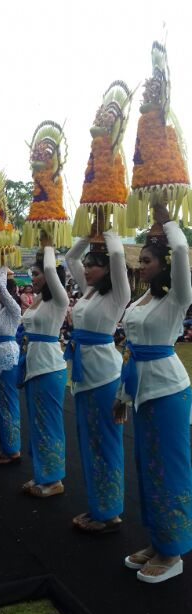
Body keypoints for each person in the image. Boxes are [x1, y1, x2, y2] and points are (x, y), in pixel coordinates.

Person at [114, 204, 192, 583]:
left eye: (146, 260)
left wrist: (169, 220)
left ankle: (173, 550)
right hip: (142, 391)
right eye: (140, 259)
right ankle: (157, 538)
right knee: (147, 468)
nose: (141, 264)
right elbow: (131, 353)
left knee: (169, 470)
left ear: (164, 262)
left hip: (168, 392)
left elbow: (182, 254)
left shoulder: (177, 298)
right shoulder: (143, 299)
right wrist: (122, 395)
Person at [65, 221, 130, 532]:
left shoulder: (118, 295)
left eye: (94, 265)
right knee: (90, 443)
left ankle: (110, 511)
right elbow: (69, 259)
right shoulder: (89, 291)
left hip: (104, 377)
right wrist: (88, 234)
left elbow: (118, 258)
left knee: (106, 443)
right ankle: (98, 506)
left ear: (107, 269)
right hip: (83, 375)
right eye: (88, 264)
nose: (87, 269)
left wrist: (109, 233)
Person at [21, 233, 69, 497]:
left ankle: (53, 481)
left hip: (49, 367)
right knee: (37, 424)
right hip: (33, 366)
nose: (34, 278)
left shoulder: (59, 300)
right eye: (32, 273)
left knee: (49, 423)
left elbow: (51, 268)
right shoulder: (36, 301)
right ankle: (41, 474)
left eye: (37, 274)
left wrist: (48, 245)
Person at [0, 266, 22, 465]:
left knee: (8, 403)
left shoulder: (13, 310)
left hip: (7, 359)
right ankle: (6, 444)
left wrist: (1, 268)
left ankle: (12, 449)